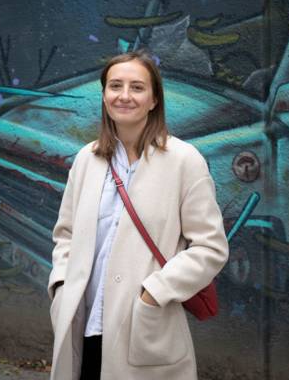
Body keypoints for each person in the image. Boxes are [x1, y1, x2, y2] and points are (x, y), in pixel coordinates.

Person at [47, 50, 229, 380]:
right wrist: (62, 285)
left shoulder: (184, 161)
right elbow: (66, 234)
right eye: (115, 86)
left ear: (154, 99)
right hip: (82, 320)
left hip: (143, 324)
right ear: (103, 96)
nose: (125, 96)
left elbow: (210, 248)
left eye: (137, 87)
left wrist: (154, 292)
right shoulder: (86, 160)